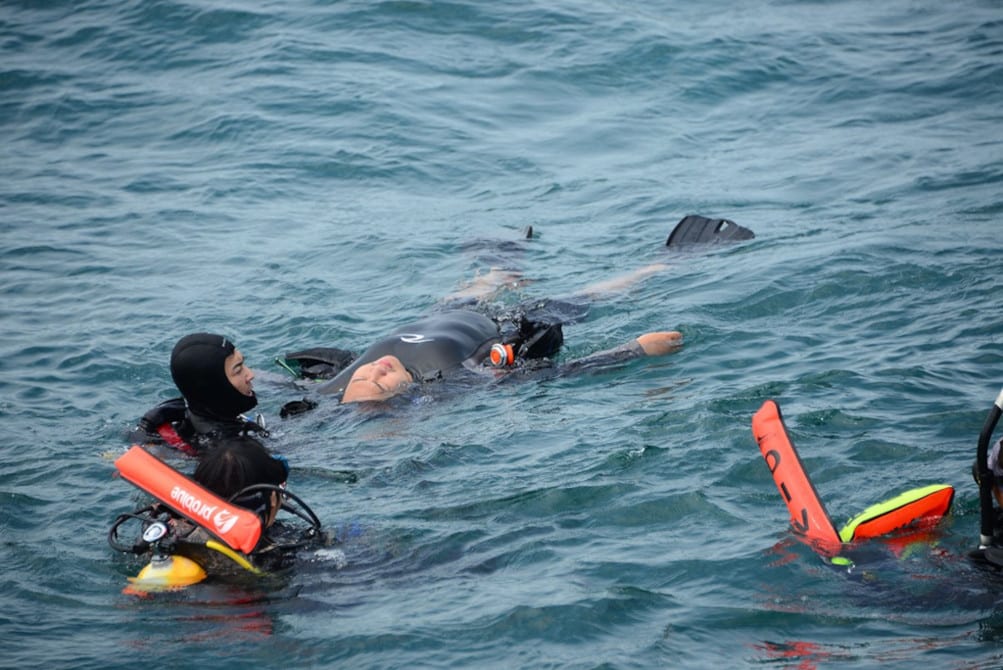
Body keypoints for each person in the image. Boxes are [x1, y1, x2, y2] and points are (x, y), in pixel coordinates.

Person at [281, 263, 682, 406]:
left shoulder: (331, 391)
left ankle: (493, 272)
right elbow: (563, 372)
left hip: (441, 312)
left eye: (364, 374)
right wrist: (637, 348)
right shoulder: (455, 384)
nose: (376, 369)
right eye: (381, 380)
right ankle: (655, 269)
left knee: (459, 297)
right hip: (499, 326)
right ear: (403, 392)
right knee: (584, 298)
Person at [133, 332, 267, 456]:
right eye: (238, 370)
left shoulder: (187, 413)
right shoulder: (233, 453)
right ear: (214, 387)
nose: (250, 374)